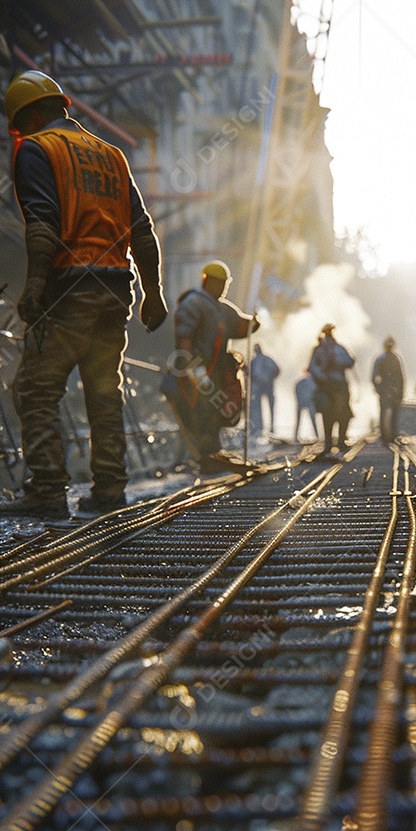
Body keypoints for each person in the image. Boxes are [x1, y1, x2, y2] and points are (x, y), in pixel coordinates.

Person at [4, 69, 167, 518]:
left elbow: (42, 225)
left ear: (32, 114)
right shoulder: (112, 155)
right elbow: (142, 231)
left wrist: (34, 287)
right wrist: (154, 295)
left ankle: (47, 492)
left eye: (20, 125)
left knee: (36, 391)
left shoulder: (38, 149)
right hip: (117, 292)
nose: (21, 134)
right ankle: (111, 491)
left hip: (68, 289)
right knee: (103, 390)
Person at [163, 261, 257, 471]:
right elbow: (184, 337)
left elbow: (241, 325)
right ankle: (206, 458)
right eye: (218, 282)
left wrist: (254, 322)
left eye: (224, 283)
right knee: (202, 409)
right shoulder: (194, 303)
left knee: (213, 410)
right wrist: (188, 368)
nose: (222, 287)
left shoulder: (220, 308)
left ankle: (211, 454)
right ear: (206, 280)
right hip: (197, 368)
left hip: (214, 371)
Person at [308, 324, 354, 456]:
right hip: (329, 386)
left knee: (343, 414)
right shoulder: (326, 350)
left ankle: (339, 441)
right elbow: (312, 367)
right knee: (328, 414)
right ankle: (330, 443)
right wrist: (322, 376)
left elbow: (350, 362)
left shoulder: (336, 349)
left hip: (336, 385)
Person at [372, 336, 405, 443]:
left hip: (387, 390)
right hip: (390, 389)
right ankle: (389, 435)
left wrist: (378, 388)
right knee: (391, 412)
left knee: (387, 412)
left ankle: (387, 435)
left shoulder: (381, 358)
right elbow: (401, 377)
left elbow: (374, 376)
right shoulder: (395, 359)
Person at [249, 342, 280, 438]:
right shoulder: (267, 359)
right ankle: (263, 427)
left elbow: (250, 374)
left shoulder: (255, 361)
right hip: (264, 386)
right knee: (261, 407)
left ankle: (267, 427)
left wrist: (269, 379)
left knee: (259, 407)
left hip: (262, 386)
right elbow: (277, 370)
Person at [294, 370, 319, 441]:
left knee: (298, 419)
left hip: (301, 402)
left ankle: (295, 436)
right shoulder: (314, 382)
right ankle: (317, 436)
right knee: (313, 419)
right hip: (309, 402)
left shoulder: (299, 382)